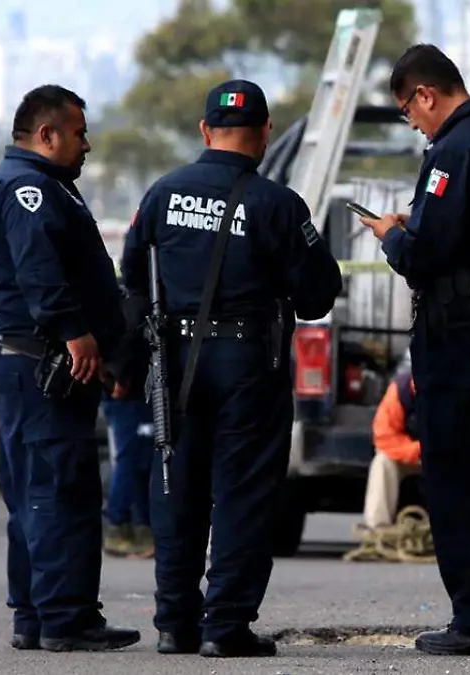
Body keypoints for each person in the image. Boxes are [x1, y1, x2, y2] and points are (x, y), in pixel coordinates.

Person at [119, 79, 343, 659]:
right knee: (243, 493)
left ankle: (174, 623)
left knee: (175, 486)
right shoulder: (277, 205)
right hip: (249, 363)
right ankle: (227, 626)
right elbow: (319, 295)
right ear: (266, 134)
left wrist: (128, 363)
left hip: (173, 363)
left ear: (204, 131)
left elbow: (133, 285)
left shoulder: (163, 194)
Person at [359, 44, 470, 657]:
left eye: (409, 109)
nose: (411, 121)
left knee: (457, 478)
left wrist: (391, 235)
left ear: (426, 94)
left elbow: (425, 258)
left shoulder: (453, 152)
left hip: (462, 336)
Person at [0, 84, 141, 652]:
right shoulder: (28, 188)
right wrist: (76, 334)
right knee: (56, 490)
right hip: (40, 363)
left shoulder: (35, 185)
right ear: (46, 134)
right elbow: (39, 272)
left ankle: (35, 616)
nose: (87, 144)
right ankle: (65, 618)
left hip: (27, 362)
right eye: (78, 133)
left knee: (32, 491)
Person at [364, 370, 422, 532]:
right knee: (383, 463)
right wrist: (419, 449)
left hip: (450, 459)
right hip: (415, 455)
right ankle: (378, 530)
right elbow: (385, 437)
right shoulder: (401, 391)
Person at [101, 390, 155, 559]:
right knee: (131, 460)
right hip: (129, 391)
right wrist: (121, 378)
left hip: (134, 391)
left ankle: (142, 528)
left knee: (140, 461)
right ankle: (117, 525)